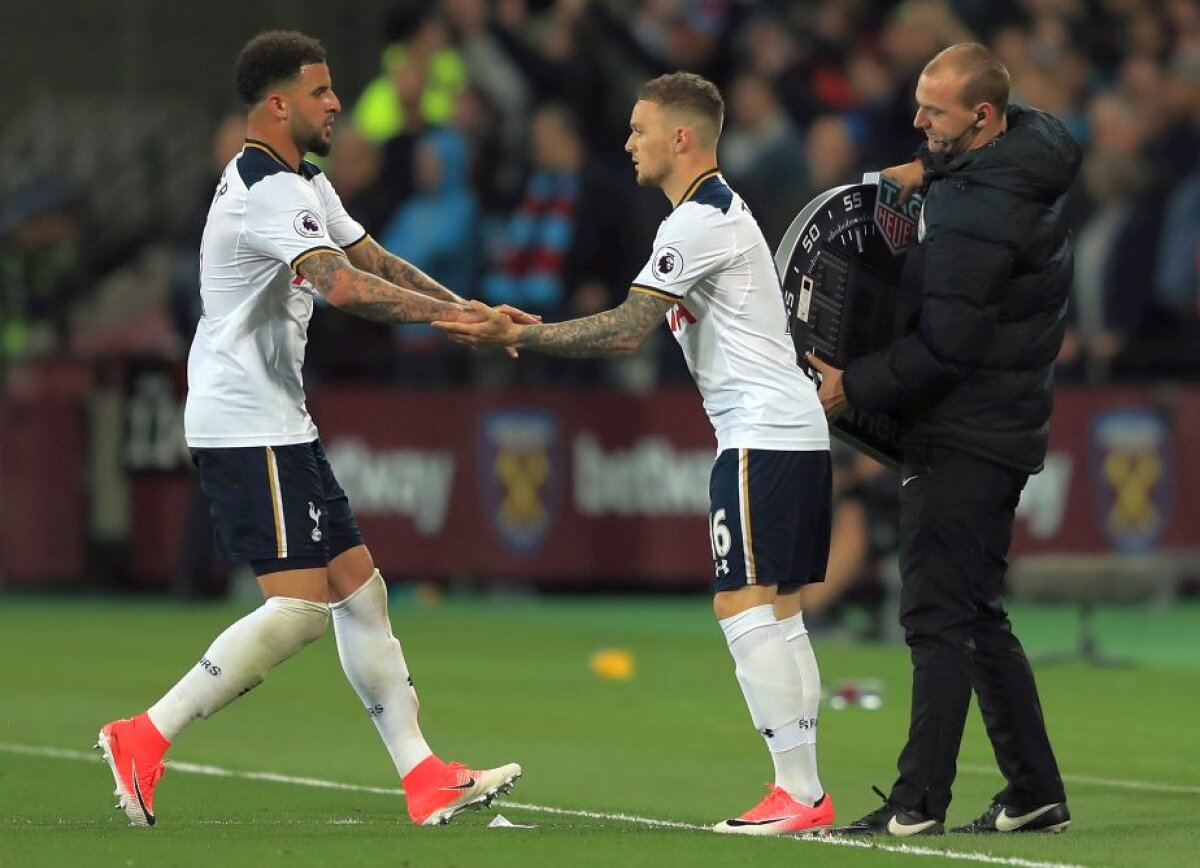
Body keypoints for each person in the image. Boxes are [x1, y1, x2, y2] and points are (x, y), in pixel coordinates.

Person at [96, 30, 529, 829]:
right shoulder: (267, 192)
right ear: (277, 103)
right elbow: (341, 286)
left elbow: (374, 258)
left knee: (361, 590)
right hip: (242, 418)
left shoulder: (301, 181)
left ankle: (424, 775)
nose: (336, 103)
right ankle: (143, 734)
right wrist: (455, 323)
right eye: (322, 91)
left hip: (275, 417)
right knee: (298, 609)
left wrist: (466, 312)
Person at [436, 72, 835, 837]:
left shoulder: (696, 222)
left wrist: (517, 334)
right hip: (788, 432)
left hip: (762, 433)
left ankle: (799, 792)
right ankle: (804, 791)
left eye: (639, 128)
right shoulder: (717, 212)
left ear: (681, 138)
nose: (628, 142)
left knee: (741, 602)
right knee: (779, 612)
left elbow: (627, 329)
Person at [806, 43, 1080, 836]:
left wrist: (851, 385)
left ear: (983, 117)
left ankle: (916, 803)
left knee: (934, 616)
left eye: (935, 111)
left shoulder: (971, 213)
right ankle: (1034, 791)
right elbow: (969, 173)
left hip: (964, 429)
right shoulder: (1025, 154)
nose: (917, 120)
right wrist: (923, 169)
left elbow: (947, 348)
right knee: (974, 613)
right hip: (1005, 421)